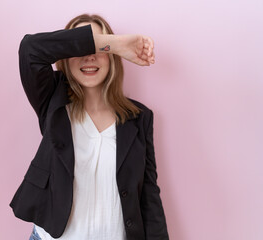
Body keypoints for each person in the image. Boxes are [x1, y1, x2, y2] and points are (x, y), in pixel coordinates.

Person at [9, 13, 169, 240]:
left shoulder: (139, 117)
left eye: (99, 49)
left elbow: (148, 196)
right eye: (80, 48)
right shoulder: (52, 101)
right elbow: (30, 49)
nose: (89, 57)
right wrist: (114, 43)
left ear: (111, 57)